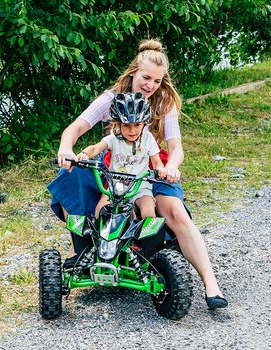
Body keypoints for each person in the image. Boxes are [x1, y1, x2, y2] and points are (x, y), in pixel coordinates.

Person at [47, 38, 228, 309]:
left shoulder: (164, 102)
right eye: (146, 78)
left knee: (174, 211)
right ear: (134, 72)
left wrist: (171, 167)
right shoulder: (111, 100)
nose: (150, 86)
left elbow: (175, 147)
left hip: (154, 169)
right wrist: (66, 149)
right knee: (71, 180)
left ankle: (210, 283)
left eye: (157, 81)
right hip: (116, 169)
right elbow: (75, 129)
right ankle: (83, 247)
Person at [76, 92, 166, 219]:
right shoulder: (114, 139)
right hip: (115, 187)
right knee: (100, 210)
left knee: (148, 211)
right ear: (118, 124)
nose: (132, 130)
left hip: (140, 186)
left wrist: (160, 169)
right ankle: (99, 237)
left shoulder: (147, 138)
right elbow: (96, 148)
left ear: (144, 123)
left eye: (137, 125)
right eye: (126, 126)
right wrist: (84, 154)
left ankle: (145, 238)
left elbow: (157, 162)